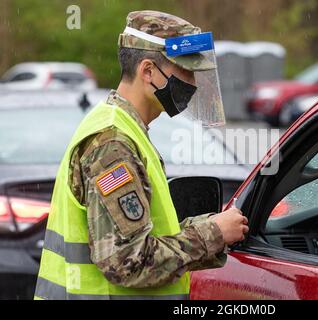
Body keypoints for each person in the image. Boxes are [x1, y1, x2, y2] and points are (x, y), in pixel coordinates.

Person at [34, 10, 248, 300]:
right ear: (148, 71)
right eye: (185, 72)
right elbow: (128, 261)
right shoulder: (112, 143)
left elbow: (144, 234)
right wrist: (212, 234)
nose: (193, 84)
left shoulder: (123, 129)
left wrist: (212, 227)